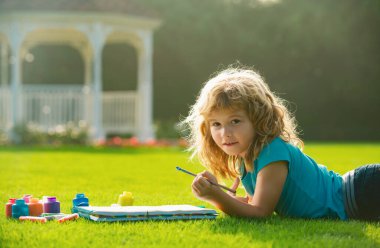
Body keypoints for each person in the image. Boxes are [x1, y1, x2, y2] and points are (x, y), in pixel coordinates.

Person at [181, 66, 379, 221]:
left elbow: (259, 212)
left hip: (360, 192)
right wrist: (217, 190)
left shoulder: (271, 151)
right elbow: (251, 204)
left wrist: (216, 196)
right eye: (216, 124)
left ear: (258, 119)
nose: (225, 133)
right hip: (359, 200)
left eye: (235, 121)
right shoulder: (245, 160)